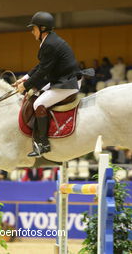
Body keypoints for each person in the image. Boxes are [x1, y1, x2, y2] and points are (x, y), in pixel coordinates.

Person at [13, 11, 80, 157]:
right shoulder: (49, 41)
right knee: (36, 94)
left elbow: (43, 71)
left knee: (39, 104)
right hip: (61, 79)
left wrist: (25, 86)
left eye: (34, 28)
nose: (32, 31)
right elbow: (41, 66)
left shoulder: (49, 44)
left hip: (66, 83)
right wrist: (25, 78)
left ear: (42, 28)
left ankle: (43, 144)